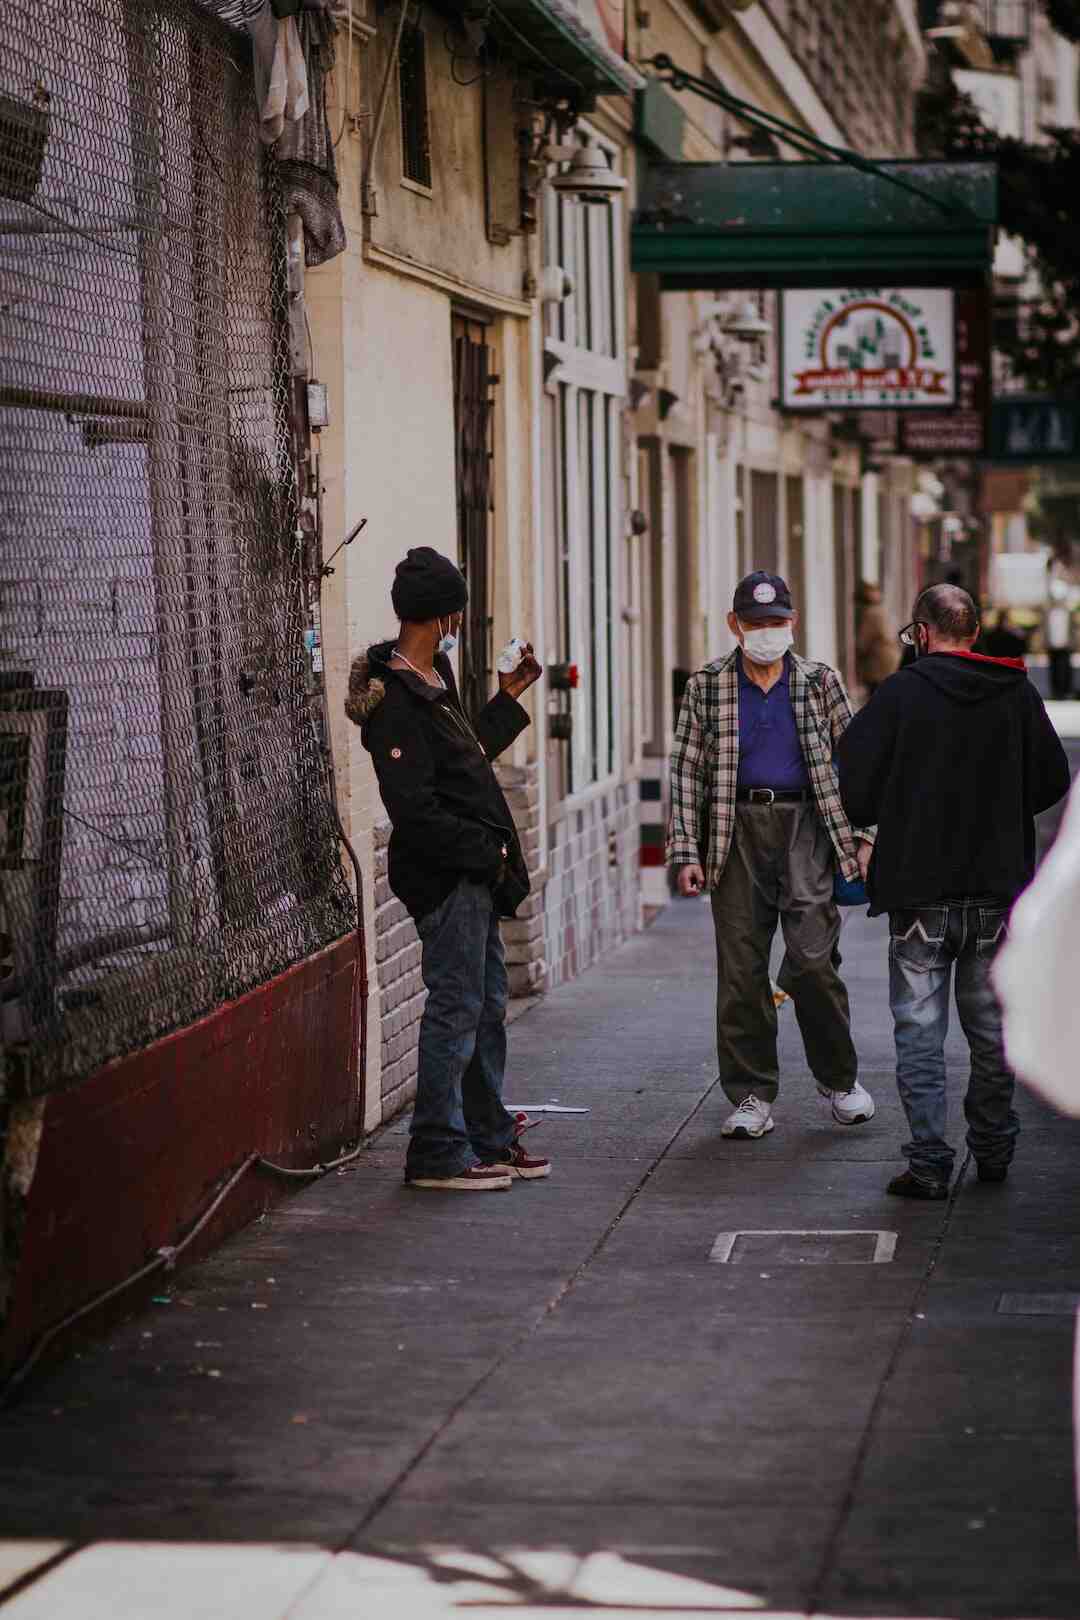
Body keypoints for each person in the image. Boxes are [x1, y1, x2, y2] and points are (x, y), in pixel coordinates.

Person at [836, 583, 1071, 1199]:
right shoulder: (1014, 691)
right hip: (997, 890)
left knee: (919, 1034)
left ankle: (929, 1164)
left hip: (920, 895)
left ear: (920, 631)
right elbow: (1051, 777)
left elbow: (853, 783)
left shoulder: (901, 694)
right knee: (992, 1029)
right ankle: (993, 1147)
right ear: (973, 631)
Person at [345, 546, 548, 1192]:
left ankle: (485, 1135)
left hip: (474, 876)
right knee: (457, 1006)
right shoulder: (398, 700)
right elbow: (417, 811)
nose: (459, 621)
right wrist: (483, 853)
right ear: (440, 618)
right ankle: (436, 1149)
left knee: (487, 1005)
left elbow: (468, 759)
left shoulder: (436, 681)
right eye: (456, 611)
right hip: (448, 877)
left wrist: (509, 698)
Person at [667, 570, 876, 1141]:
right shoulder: (706, 686)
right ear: (734, 625)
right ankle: (751, 1093)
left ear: (793, 622)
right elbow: (686, 772)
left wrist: (866, 835)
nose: (767, 632)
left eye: (776, 622)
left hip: (806, 826)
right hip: (732, 830)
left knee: (811, 960)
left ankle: (838, 1079)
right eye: (756, 623)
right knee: (741, 972)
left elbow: (858, 763)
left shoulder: (819, 681)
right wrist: (685, 850)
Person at [854, 580, 900, 697]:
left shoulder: (871, 613)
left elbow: (864, 641)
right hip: (890, 659)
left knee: (877, 696)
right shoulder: (881, 610)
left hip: (878, 662)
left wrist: (857, 655)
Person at [1045, 586, 1074, 701]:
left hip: (1065, 645)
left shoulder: (1068, 612)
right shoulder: (1048, 612)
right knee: (1053, 669)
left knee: (1065, 669)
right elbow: (1045, 629)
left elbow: (1072, 629)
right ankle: (1055, 691)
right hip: (1052, 645)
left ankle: (1065, 691)